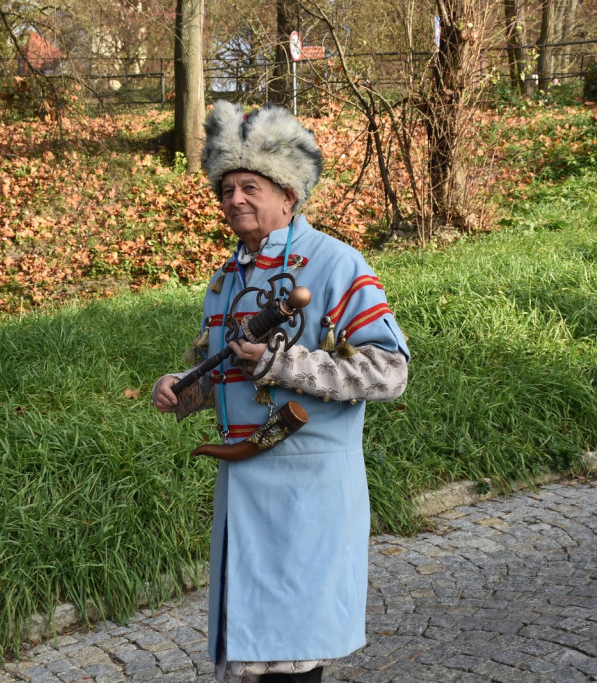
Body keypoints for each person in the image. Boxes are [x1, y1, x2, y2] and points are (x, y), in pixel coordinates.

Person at [152, 101, 410, 683]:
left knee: (293, 660)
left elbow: (390, 372)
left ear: (288, 195)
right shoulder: (226, 280)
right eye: (226, 189)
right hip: (241, 487)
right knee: (247, 656)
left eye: (250, 186)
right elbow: (217, 377)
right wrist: (179, 390)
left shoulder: (335, 263)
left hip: (307, 491)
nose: (235, 199)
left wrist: (285, 364)